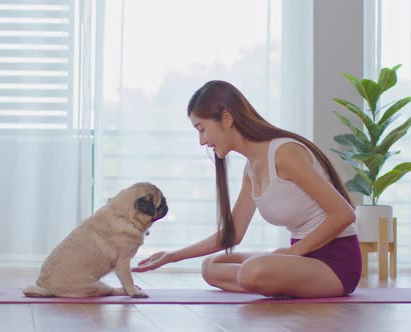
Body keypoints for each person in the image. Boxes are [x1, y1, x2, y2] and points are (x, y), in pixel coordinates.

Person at [132, 80, 361, 298]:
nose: (202, 141)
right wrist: (172, 256)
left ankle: (274, 280)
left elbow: (344, 214)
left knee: (253, 270)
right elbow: (233, 234)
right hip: (301, 260)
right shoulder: (251, 168)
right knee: (211, 267)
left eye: (202, 129)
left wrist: (292, 254)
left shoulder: (284, 153)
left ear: (227, 118)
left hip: (334, 264)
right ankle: (279, 282)